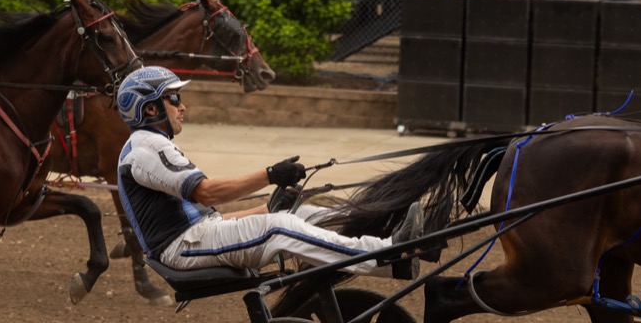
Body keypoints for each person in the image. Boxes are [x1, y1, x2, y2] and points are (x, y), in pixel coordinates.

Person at [115, 65, 422, 280]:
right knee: (280, 228)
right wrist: (271, 174)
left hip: (194, 240)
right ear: (150, 109)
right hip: (181, 250)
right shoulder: (146, 147)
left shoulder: (152, 146)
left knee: (301, 215)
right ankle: (385, 253)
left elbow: (210, 220)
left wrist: (265, 208)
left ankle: (396, 246)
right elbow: (207, 193)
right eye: (174, 98)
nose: (182, 106)